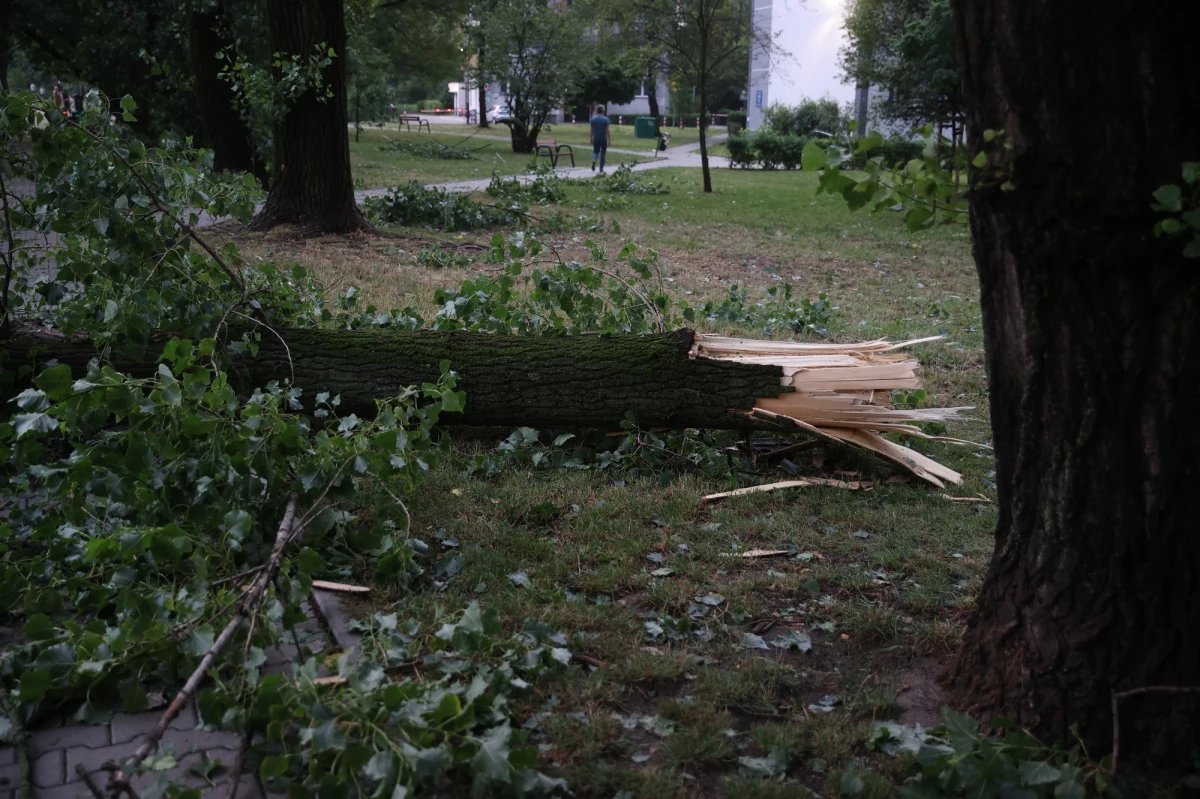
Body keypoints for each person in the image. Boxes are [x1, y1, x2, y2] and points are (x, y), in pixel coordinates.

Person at [589, 105, 611, 174]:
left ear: (596, 111)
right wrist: (609, 139)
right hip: (603, 138)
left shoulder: (593, 119)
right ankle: (601, 168)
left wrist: (591, 138)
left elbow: (591, 130)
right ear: (603, 111)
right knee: (603, 153)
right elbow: (607, 130)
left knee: (595, 151)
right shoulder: (605, 119)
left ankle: (594, 161)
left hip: (596, 138)